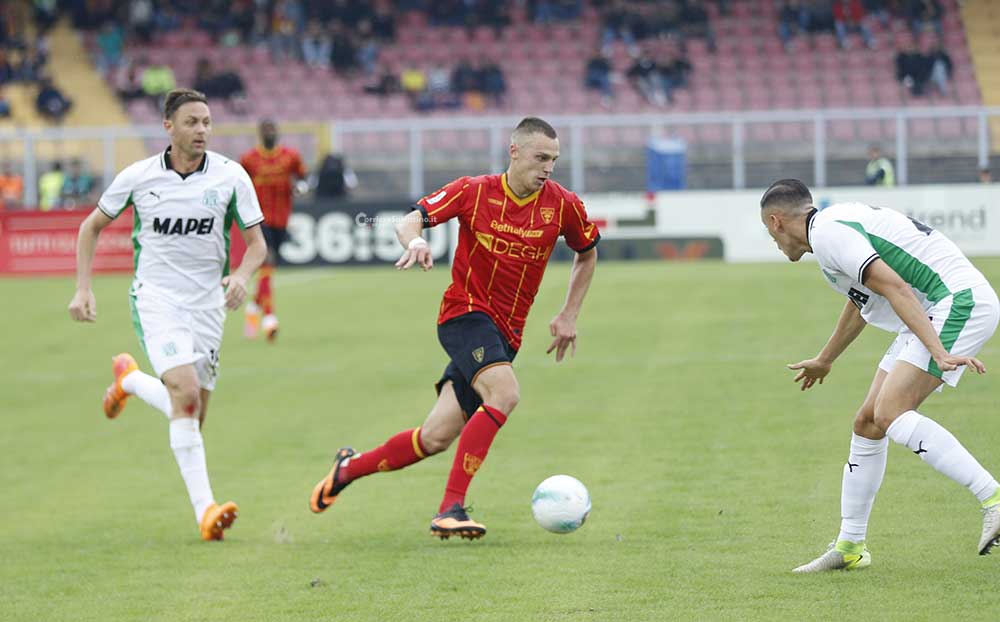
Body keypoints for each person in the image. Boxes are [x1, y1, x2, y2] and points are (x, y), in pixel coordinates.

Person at [308, 117, 600, 539]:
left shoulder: (562, 205)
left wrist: (569, 313)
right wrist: (416, 241)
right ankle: (451, 508)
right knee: (505, 393)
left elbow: (587, 252)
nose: (548, 168)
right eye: (541, 157)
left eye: (553, 159)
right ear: (514, 151)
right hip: (464, 315)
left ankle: (347, 469)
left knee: (434, 438)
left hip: (506, 335)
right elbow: (408, 221)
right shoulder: (474, 191)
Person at [759, 179, 1000, 572]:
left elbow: (896, 288)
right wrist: (825, 359)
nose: (773, 241)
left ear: (776, 222)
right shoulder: (828, 234)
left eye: (769, 233)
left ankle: (993, 498)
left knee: (890, 412)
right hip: (930, 310)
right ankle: (850, 546)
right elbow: (863, 300)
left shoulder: (830, 233)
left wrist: (938, 352)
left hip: (956, 301)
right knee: (868, 421)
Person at [67, 88, 267, 541]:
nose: (202, 130)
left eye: (207, 122)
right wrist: (83, 288)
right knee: (186, 394)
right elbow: (90, 226)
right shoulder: (139, 177)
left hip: (209, 306)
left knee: (192, 415)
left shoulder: (231, 176)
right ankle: (206, 512)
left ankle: (130, 381)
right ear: (168, 127)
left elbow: (257, 245)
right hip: (157, 299)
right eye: (192, 122)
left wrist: (241, 276)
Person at [239, 119, 307, 342]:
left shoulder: (290, 156)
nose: (270, 133)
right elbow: (238, 184)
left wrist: (300, 187)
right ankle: (269, 319)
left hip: (281, 219)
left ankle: (253, 307)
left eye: (272, 130)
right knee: (266, 260)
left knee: (268, 268)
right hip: (257, 220)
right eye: (266, 130)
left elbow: (303, 178)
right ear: (260, 134)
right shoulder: (248, 159)